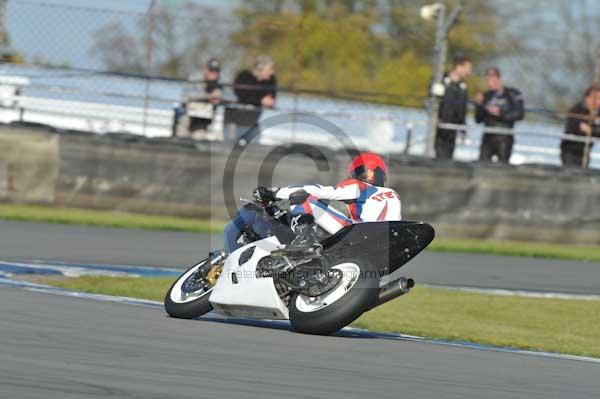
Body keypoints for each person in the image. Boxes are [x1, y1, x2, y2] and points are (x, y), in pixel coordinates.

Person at [254, 152, 401, 256]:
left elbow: (318, 191)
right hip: (386, 242)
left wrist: (274, 193)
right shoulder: (394, 194)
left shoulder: (358, 186)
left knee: (302, 197)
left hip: (359, 235)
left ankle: (305, 240)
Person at [474, 67, 525, 163]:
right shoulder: (487, 95)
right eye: (487, 80)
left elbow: (520, 114)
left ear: (498, 79)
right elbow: (478, 119)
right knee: (482, 164)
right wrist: (479, 105)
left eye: (492, 79)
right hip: (488, 136)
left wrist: (500, 113)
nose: (489, 83)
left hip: (504, 137)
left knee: (502, 166)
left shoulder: (512, 94)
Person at [225, 55, 277, 139]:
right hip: (234, 121)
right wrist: (260, 100)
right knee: (230, 148)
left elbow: (271, 99)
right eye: (270, 69)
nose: (272, 72)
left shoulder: (271, 80)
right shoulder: (243, 76)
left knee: (252, 148)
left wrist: (258, 99)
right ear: (260, 69)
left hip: (253, 122)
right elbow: (241, 96)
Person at [433, 56, 472, 159]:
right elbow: (431, 101)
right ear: (458, 67)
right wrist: (436, 118)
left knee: (448, 157)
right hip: (439, 129)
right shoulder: (442, 81)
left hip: (452, 130)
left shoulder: (462, 87)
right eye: (467, 68)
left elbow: (462, 110)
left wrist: (463, 130)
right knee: (438, 156)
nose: (469, 72)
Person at [172, 57, 223, 135]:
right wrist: (209, 96)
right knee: (181, 138)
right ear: (206, 69)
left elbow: (231, 96)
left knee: (199, 140)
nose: (213, 73)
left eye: (216, 71)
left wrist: (220, 99)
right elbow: (187, 94)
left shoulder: (220, 85)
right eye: (211, 70)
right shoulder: (195, 78)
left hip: (202, 121)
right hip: (187, 116)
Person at [561, 86, 600, 168]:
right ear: (587, 98)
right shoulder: (577, 110)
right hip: (571, 151)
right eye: (595, 98)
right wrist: (590, 130)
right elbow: (575, 128)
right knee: (573, 173)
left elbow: (592, 131)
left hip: (585, 152)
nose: (597, 102)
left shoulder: (597, 113)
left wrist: (591, 130)